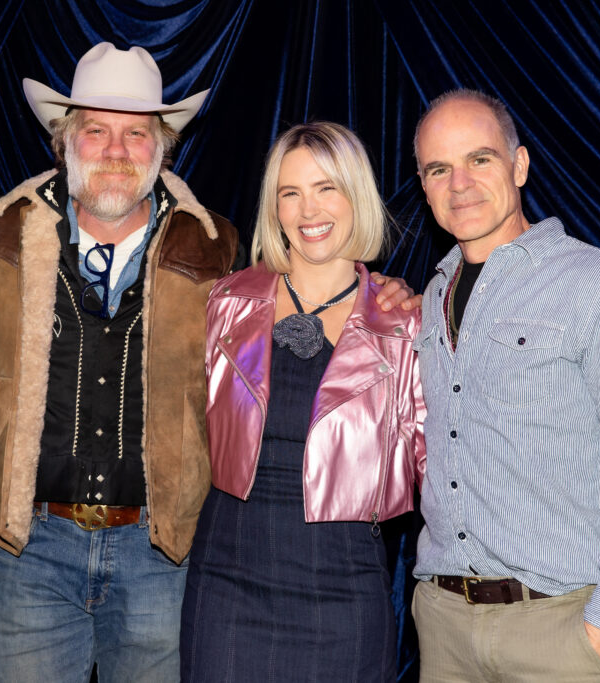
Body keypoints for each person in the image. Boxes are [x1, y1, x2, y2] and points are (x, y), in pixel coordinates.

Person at [0, 44, 418, 682]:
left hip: (161, 551)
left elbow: (302, 307)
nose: (117, 152)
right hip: (33, 550)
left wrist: (379, 293)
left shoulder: (215, 246)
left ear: (162, 146)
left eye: (136, 135)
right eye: (97, 132)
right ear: (64, 140)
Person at [410, 89, 600, 682]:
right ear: (424, 184)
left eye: (479, 159)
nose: (459, 183)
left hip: (562, 632)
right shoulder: (431, 298)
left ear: (519, 165)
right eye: (439, 169)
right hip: (443, 629)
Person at [181, 122, 425, 681]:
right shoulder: (227, 301)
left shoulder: (404, 324)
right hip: (226, 578)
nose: (307, 209)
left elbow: (437, 468)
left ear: (356, 196)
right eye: (290, 192)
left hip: (344, 585)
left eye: (326, 188)